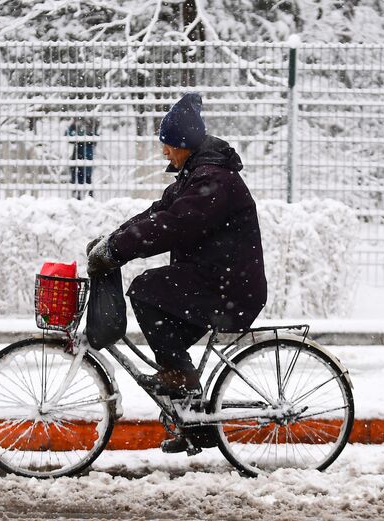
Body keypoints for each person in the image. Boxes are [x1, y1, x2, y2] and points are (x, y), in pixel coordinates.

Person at [86, 92, 267, 451]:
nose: (164, 152)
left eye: (168, 145)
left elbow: (172, 225)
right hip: (215, 282)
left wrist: (120, 251)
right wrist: (113, 240)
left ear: (184, 144)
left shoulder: (212, 181)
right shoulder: (196, 176)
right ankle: (192, 420)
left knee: (145, 289)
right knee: (162, 324)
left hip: (229, 290)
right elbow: (157, 213)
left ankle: (182, 381)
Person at [67, 117, 97, 199]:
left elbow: (94, 139)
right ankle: (78, 196)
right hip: (77, 153)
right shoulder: (75, 126)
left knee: (86, 177)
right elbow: (69, 136)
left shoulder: (90, 126)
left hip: (85, 154)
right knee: (77, 176)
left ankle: (88, 196)